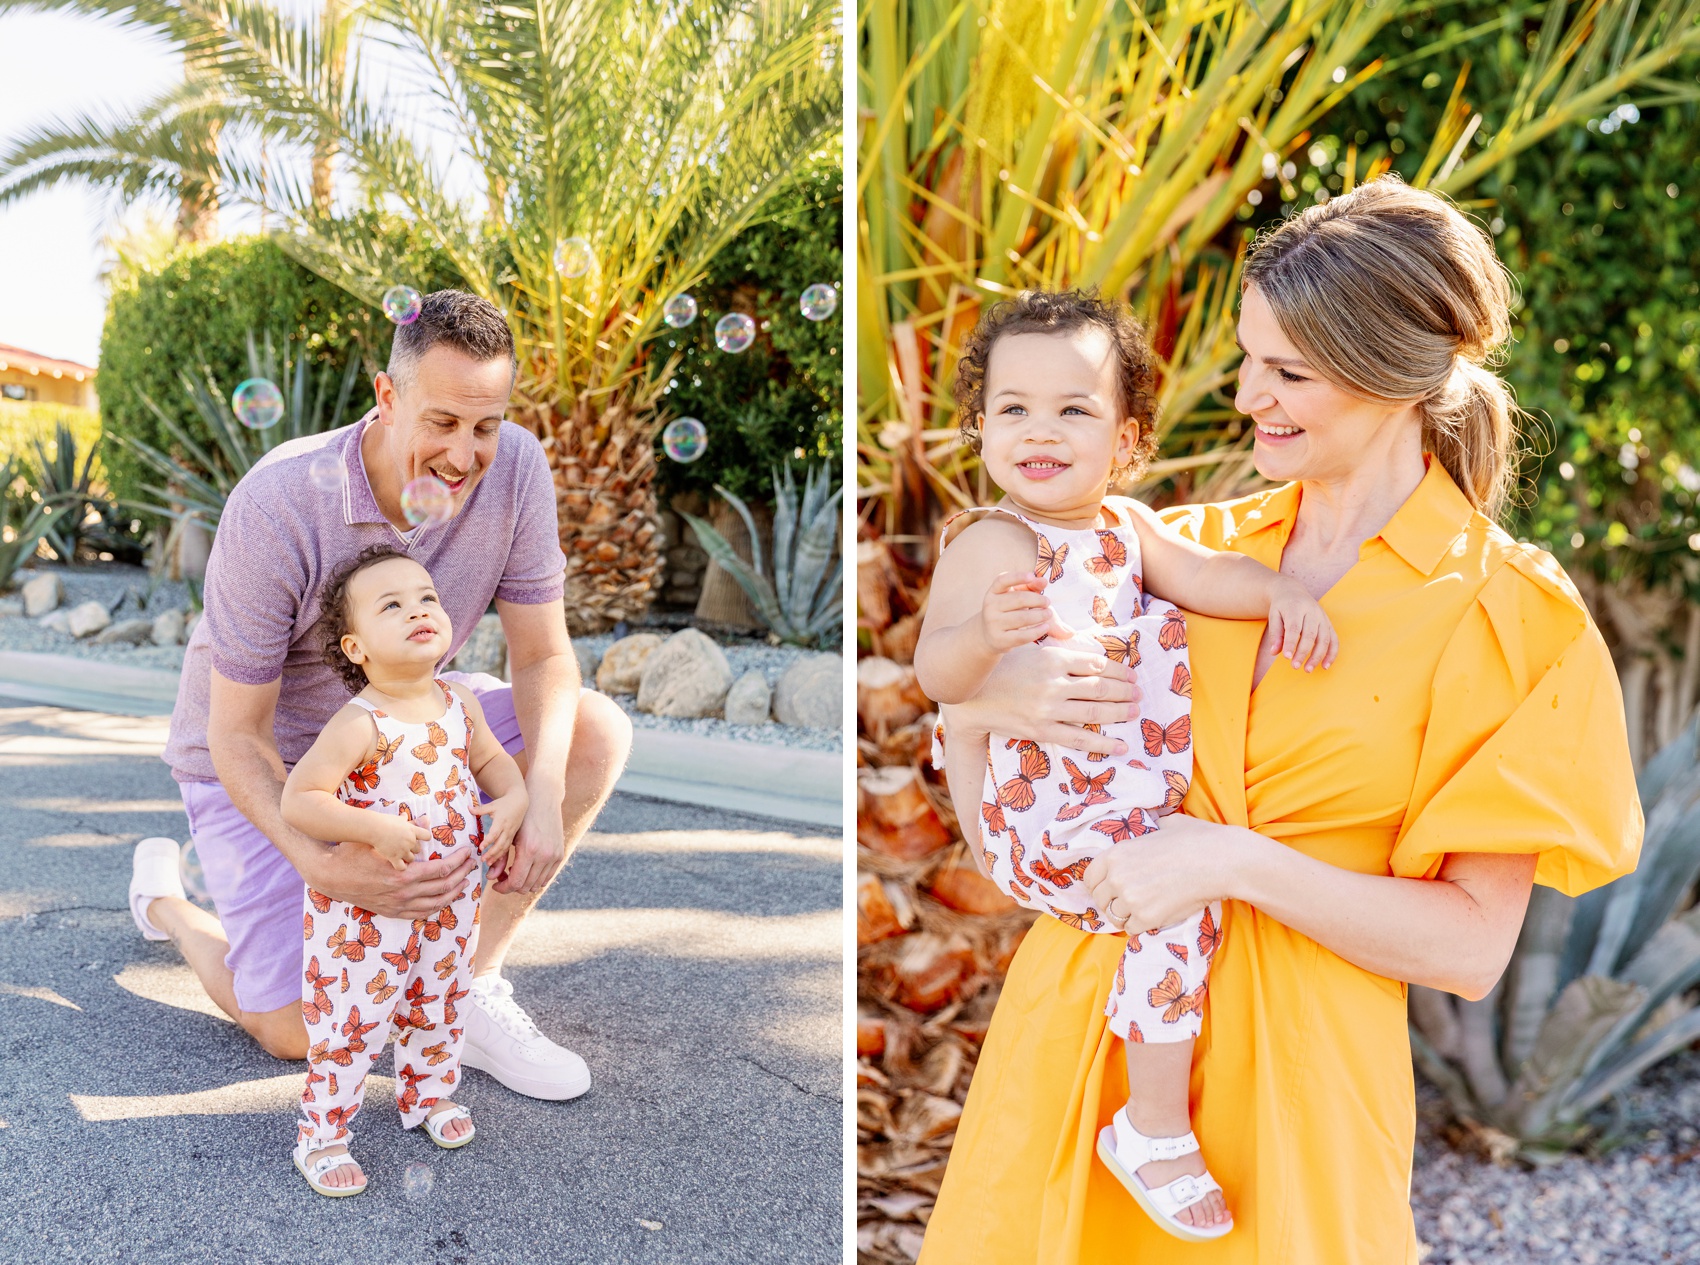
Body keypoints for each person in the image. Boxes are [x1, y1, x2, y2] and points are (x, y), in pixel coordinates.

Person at [918, 176, 1643, 1264]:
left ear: (1392, 380)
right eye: (1249, 357)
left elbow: (1468, 948)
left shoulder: (1508, 615)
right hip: (1075, 1039)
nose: (1249, 394)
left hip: (1296, 1096)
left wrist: (1227, 860)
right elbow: (995, 791)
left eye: (1287, 372)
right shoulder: (1179, 549)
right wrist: (984, 703)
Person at [126, 290, 633, 1103]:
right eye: (442, 422)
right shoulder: (280, 500)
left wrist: (539, 796)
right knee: (296, 1030)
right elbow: (237, 733)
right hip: (274, 758)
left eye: (486, 425)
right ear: (387, 395)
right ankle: (164, 904)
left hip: (409, 717)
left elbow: (543, 656)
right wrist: (320, 862)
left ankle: (467, 986)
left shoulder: (519, 470)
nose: (465, 455)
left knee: (596, 732)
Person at [913, 290, 1337, 1239]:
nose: (1041, 431)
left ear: (1130, 439)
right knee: (1178, 900)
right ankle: (1151, 1127)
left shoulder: (1125, 529)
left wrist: (1279, 591)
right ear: (980, 430)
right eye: (1013, 409)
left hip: (1108, 804)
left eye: (1075, 409)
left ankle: (1154, 1105)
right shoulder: (993, 541)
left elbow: (1206, 576)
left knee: (1182, 886)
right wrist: (984, 636)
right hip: (1038, 812)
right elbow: (936, 672)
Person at [280, 547, 530, 1195]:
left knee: (440, 999)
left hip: (449, 900)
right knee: (353, 1019)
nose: (418, 610)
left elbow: (496, 766)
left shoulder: (457, 704)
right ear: (356, 646)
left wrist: (514, 800)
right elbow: (300, 799)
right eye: (392, 604)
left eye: (426, 597)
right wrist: (374, 827)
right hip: (367, 914)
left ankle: (428, 1094)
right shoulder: (360, 723)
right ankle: (323, 1135)